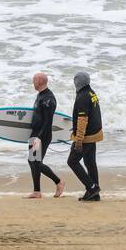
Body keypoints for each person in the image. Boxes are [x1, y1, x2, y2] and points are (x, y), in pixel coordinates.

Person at [26, 72, 65, 199]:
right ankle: (37, 192)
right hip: (35, 133)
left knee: (36, 162)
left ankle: (59, 182)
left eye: (34, 80)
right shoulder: (40, 95)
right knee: (33, 161)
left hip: (43, 135)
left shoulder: (49, 99)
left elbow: (48, 122)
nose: (33, 83)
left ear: (39, 82)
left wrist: (39, 138)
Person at [67, 71, 104, 201]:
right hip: (94, 133)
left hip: (86, 136)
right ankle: (95, 195)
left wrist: (78, 140)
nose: (74, 83)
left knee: (72, 161)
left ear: (79, 82)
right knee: (90, 163)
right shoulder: (91, 92)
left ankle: (92, 187)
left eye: (75, 81)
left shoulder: (82, 96)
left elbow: (83, 119)